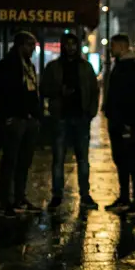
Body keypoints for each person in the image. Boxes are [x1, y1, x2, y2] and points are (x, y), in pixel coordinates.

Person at [41, 33, 100, 210]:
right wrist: (60, 91)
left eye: (74, 44)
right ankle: (57, 195)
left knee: (82, 159)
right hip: (61, 117)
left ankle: (85, 194)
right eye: (68, 44)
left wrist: (90, 113)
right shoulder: (53, 67)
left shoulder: (85, 67)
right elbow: (44, 88)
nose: (71, 47)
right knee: (58, 158)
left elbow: (94, 90)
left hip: (81, 117)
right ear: (62, 46)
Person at [0, 32, 42, 217]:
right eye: (30, 46)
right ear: (21, 45)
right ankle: (6, 202)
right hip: (16, 119)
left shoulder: (28, 65)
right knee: (10, 161)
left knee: (24, 161)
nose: (33, 50)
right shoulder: (7, 65)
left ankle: (20, 198)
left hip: (28, 119)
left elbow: (32, 91)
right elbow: (0, 93)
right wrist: (7, 115)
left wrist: (36, 116)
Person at [102, 34, 135, 216]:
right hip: (116, 121)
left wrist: (130, 122)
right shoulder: (120, 65)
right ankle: (124, 198)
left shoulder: (133, 68)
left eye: (112, 46)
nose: (110, 50)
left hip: (126, 123)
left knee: (131, 161)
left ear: (121, 46)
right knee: (120, 160)